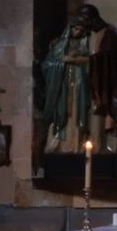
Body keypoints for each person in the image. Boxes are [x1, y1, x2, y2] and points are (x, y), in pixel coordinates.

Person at [76, 3, 117, 149]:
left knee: (101, 117)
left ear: (91, 18)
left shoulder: (109, 36)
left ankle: (104, 147)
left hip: (106, 82)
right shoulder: (89, 35)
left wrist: (89, 60)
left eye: (84, 19)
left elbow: (109, 58)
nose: (83, 24)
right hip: (90, 83)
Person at [40, 14, 91, 153]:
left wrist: (79, 60)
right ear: (70, 29)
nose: (78, 32)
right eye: (76, 29)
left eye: (81, 30)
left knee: (76, 111)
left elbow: (91, 62)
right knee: (62, 112)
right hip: (62, 85)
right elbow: (46, 65)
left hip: (79, 86)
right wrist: (62, 61)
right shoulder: (59, 44)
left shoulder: (86, 44)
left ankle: (75, 144)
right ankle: (59, 144)